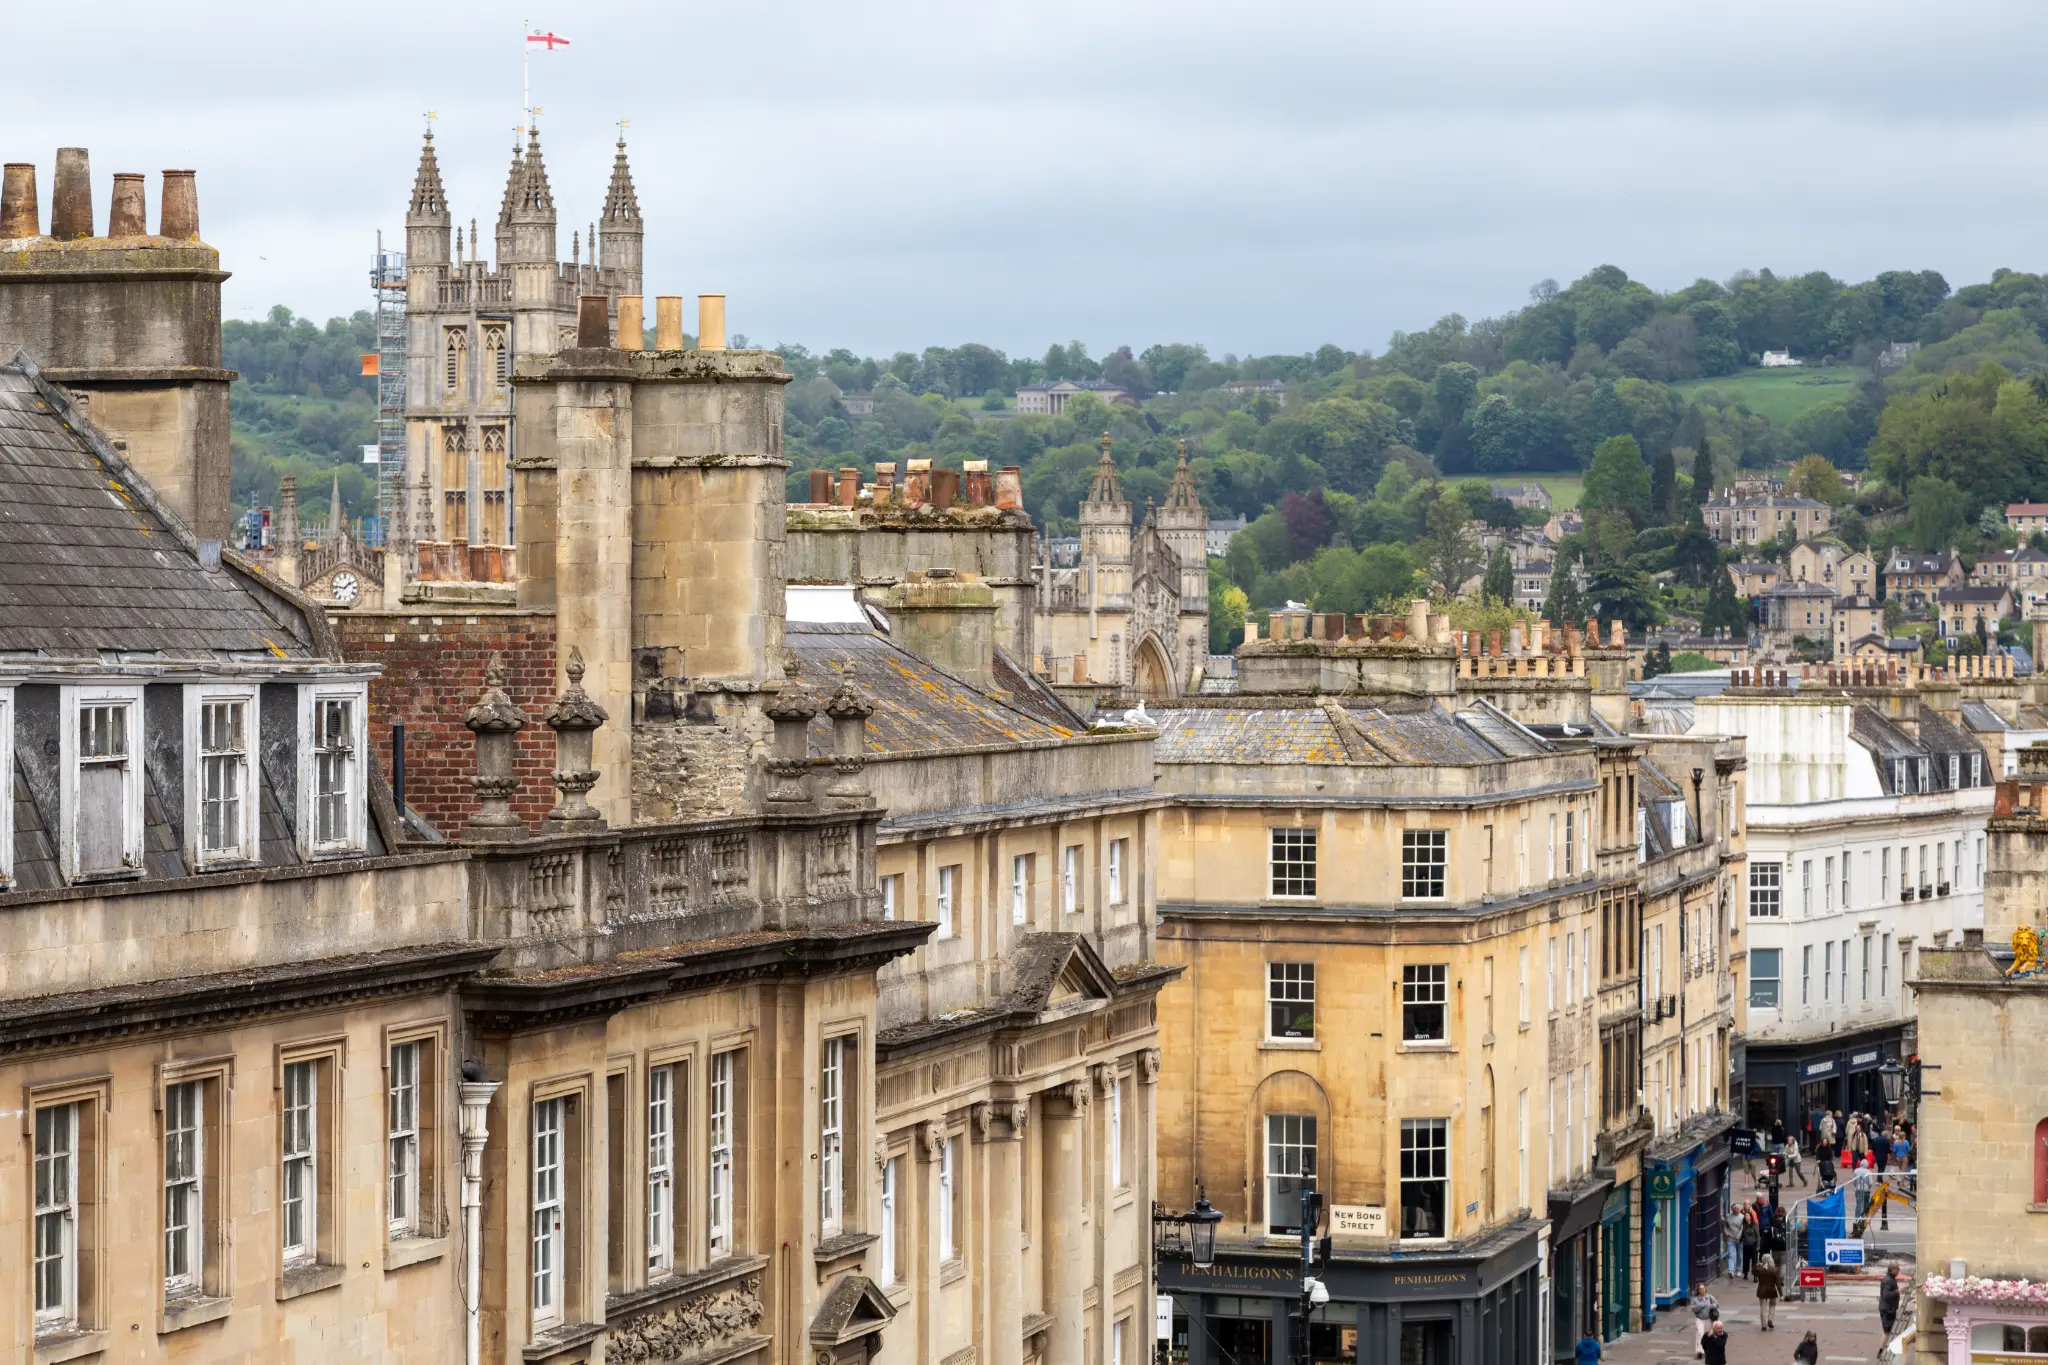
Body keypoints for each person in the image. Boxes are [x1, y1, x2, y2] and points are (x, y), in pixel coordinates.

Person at [1756, 1252, 1781, 1331]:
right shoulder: (1774, 1270)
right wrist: (1781, 1294)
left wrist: (1758, 1265)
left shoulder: (1759, 1269)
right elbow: (1778, 1283)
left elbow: (1753, 1271)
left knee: (1763, 1308)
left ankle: (1763, 1325)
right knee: (1772, 1305)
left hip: (1762, 1291)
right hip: (1771, 1291)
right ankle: (1770, 1320)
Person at [1691, 1284, 1718, 1357]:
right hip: (1699, 1319)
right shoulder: (1695, 1299)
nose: (1702, 1290)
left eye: (1703, 1288)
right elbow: (1693, 1309)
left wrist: (1713, 1306)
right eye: (1700, 1289)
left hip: (1708, 1319)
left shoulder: (1710, 1297)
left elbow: (1717, 1304)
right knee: (1700, 1334)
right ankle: (1700, 1351)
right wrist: (1701, 1305)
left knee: (1709, 1335)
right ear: (1698, 1291)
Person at [1880, 1264, 1902, 1338]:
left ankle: (1884, 1348)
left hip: (1890, 1309)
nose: (1899, 1271)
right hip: (1887, 1310)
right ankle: (1883, 1349)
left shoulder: (1891, 1278)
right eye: (1897, 1269)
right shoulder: (1888, 1280)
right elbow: (1886, 1295)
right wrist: (1898, 1291)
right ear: (1892, 1269)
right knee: (1887, 1332)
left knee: (1888, 1332)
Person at [1739, 1202, 1760, 1278]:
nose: (1746, 1217)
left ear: (1750, 1217)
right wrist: (1740, 1240)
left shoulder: (1755, 1224)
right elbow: (1742, 1233)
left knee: (1754, 1261)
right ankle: (1745, 1274)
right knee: (1746, 1260)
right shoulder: (1744, 1224)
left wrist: (1758, 1246)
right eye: (1745, 1216)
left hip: (1753, 1244)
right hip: (1746, 1244)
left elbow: (1758, 1235)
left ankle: (1755, 1275)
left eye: (1747, 1216)